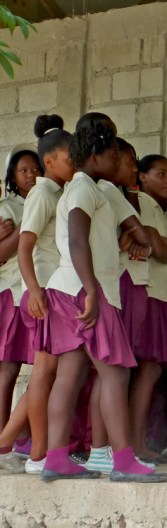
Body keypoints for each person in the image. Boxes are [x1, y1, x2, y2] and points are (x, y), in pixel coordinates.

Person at [41, 119, 167, 483]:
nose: (118, 160)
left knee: (71, 374)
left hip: (70, 288)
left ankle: (56, 458)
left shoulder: (86, 188)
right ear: (96, 156)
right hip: (85, 289)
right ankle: (124, 461)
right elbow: (77, 240)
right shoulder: (85, 190)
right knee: (115, 373)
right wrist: (93, 290)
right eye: (114, 154)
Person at [0, 119, 68, 475]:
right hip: (40, 291)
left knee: (47, 370)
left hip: (48, 290)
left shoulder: (54, 193)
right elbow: (24, 247)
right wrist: (36, 291)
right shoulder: (40, 195)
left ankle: (9, 442)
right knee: (43, 371)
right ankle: (37, 451)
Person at [129, 154, 167, 461]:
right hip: (147, 292)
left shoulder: (157, 210)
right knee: (144, 370)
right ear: (142, 177)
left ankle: (136, 441)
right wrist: (159, 242)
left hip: (160, 294)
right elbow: (162, 251)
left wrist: (159, 241)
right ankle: (134, 442)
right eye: (161, 173)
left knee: (151, 371)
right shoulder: (141, 202)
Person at [0, 145, 41, 436]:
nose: (30, 175)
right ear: (13, 176)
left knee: (38, 368)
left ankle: (22, 437)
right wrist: (25, 224)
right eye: (23, 170)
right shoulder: (7, 208)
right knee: (8, 369)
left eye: (35, 169)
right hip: (12, 292)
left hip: (35, 292)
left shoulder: (45, 199)